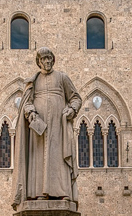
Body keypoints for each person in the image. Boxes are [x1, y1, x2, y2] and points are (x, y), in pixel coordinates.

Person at [13, 47, 82, 206]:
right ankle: (38, 193)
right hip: (39, 129)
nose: (47, 61)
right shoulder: (34, 81)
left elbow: (76, 98)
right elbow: (27, 103)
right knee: (39, 158)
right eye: (44, 59)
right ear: (39, 62)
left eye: (49, 58)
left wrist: (72, 109)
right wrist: (31, 113)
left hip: (58, 127)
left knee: (58, 157)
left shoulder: (62, 78)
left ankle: (63, 193)